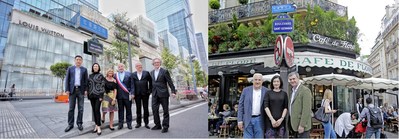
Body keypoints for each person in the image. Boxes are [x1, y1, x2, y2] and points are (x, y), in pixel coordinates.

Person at [149, 58, 176, 133]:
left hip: (163, 94)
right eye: (155, 62)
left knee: (165, 111)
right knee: (154, 110)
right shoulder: (151, 73)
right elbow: (151, 84)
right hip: (155, 94)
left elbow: (170, 82)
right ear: (153, 64)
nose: (156, 63)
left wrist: (173, 91)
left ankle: (165, 126)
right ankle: (157, 125)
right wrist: (149, 92)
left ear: (160, 63)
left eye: (158, 62)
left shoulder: (164, 71)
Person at [237, 73, 268, 138]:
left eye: (259, 80)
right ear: (252, 81)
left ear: (262, 81)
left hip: (260, 119)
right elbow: (240, 106)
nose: (257, 81)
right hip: (247, 119)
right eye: (255, 80)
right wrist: (240, 120)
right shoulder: (246, 90)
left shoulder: (266, 91)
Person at [64, 55, 89, 132]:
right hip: (72, 90)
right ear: (75, 60)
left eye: (80, 60)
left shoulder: (84, 69)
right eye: (77, 59)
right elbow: (67, 79)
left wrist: (86, 90)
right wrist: (67, 89)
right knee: (71, 108)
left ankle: (79, 123)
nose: (78, 61)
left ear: (81, 61)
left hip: (81, 90)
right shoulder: (70, 69)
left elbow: (86, 81)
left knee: (81, 108)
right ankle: (70, 124)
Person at [288, 72, 312, 138]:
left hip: (302, 126)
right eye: (290, 79)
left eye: (294, 79)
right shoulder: (292, 91)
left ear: (298, 78)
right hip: (294, 125)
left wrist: (302, 125)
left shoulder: (305, 90)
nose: (292, 81)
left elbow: (306, 110)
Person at [132, 62, 152, 129]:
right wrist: (133, 93)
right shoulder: (133, 74)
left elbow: (151, 82)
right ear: (136, 67)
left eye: (140, 65)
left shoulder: (146, 73)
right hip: (137, 94)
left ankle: (146, 123)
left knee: (146, 109)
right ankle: (138, 123)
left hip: (145, 94)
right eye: (137, 66)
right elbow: (132, 85)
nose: (139, 67)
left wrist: (149, 91)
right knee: (138, 109)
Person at [88, 63, 105, 135]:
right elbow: (88, 85)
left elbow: (103, 85)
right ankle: (96, 125)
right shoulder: (90, 75)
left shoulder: (101, 75)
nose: (95, 67)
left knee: (97, 109)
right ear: (92, 67)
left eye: (97, 66)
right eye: (94, 66)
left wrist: (101, 96)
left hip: (98, 96)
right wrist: (88, 94)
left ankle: (98, 126)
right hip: (91, 96)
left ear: (98, 68)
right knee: (94, 111)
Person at [115, 63, 133, 130]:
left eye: (121, 66)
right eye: (119, 66)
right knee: (120, 110)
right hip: (119, 96)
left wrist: (132, 93)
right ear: (118, 68)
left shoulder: (129, 74)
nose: (120, 67)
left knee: (128, 110)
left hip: (127, 95)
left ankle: (129, 124)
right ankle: (120, 124)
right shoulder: (115, 75)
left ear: (124, 67)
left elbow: (132, 85)